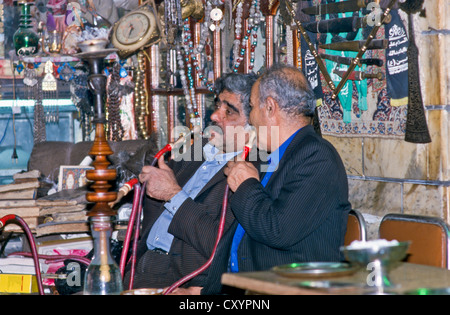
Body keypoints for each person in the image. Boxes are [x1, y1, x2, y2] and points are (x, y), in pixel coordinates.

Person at [173, 64, 351, 295]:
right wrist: (204, 290)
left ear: (269, 107)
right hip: (244, 287)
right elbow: (238, 233)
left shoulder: (316, 156)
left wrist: (246, 184)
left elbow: (277, 230)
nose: (251, 119)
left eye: (252, 107)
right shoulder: (276, 154)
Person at [123, 72, 258, 289]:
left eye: (229, 111)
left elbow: (223, 246)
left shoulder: (251, 173)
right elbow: (154, 207)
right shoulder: (194, 149)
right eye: (217, 106)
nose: (214, 116)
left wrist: (174, 195)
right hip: (140, 267)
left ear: (252, 126)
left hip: (183, 280)